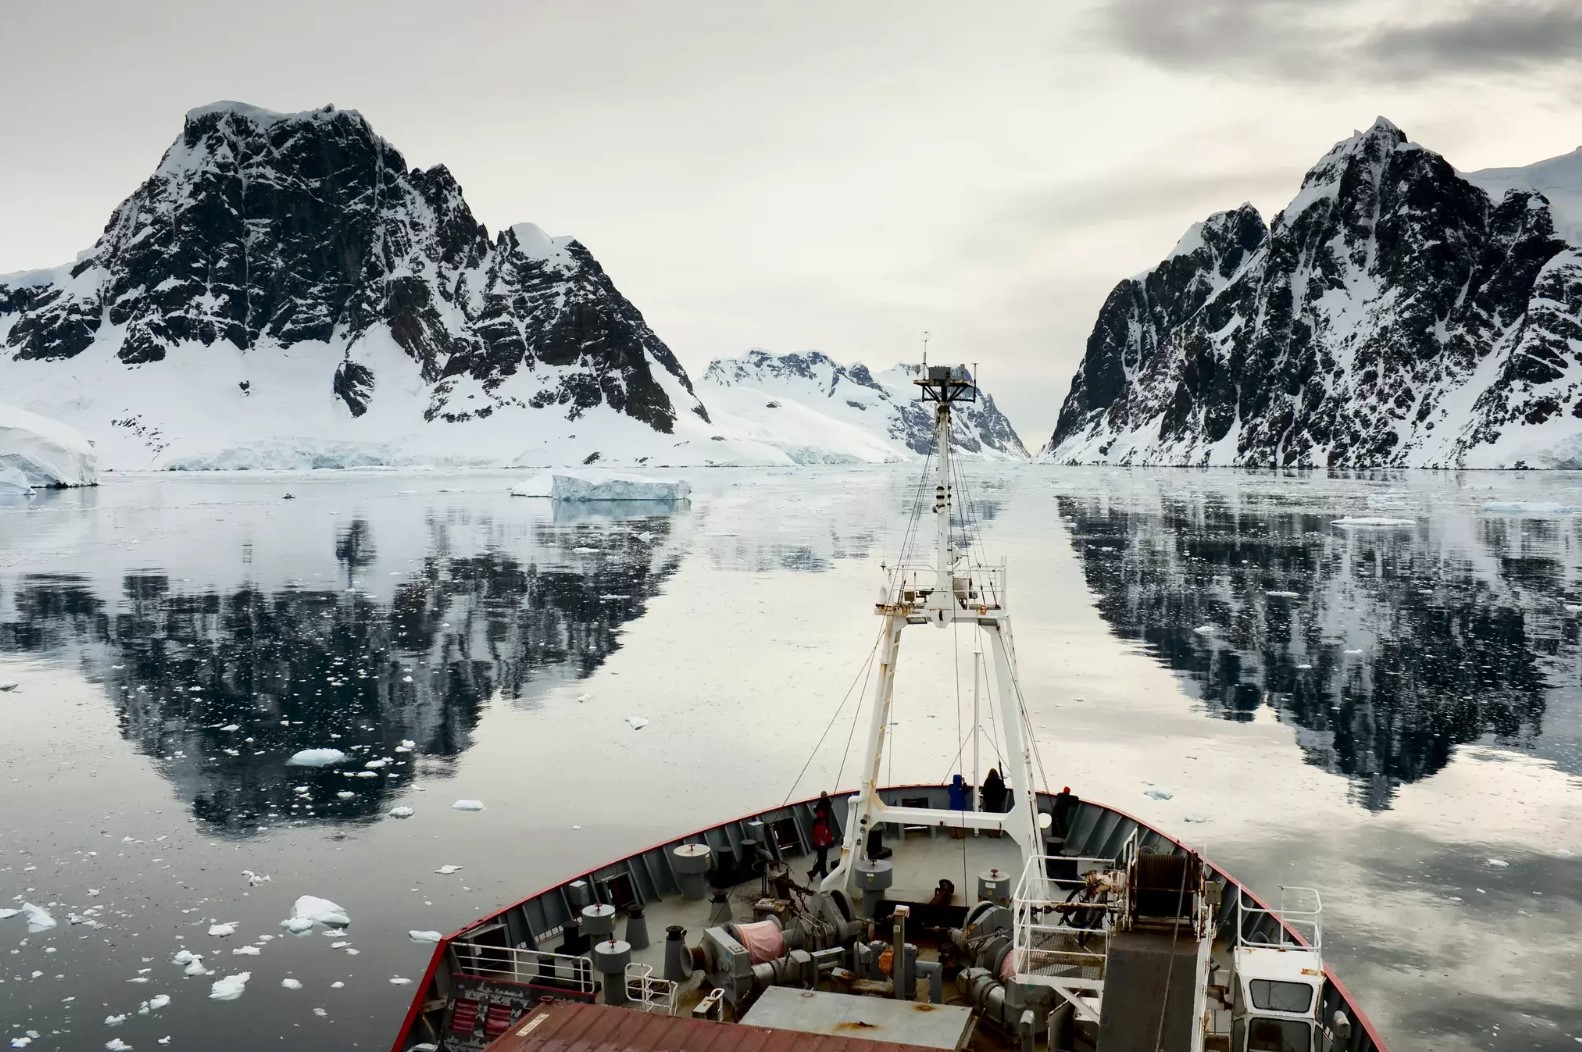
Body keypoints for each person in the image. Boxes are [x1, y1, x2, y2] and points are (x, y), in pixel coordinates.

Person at [808, 792, 836, 880]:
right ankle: (817, 873)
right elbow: (823, 836)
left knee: (822, 859)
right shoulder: (821, 827)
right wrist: (830, 839)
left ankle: (818, 873)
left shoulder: (816, 825)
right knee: (822, 859)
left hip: (819, 845)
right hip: (821, 845)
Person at [981, 768, 1007, 836]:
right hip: (998, 803)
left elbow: (984, 791)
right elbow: (1003, 792)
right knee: (997, 817)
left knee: (990, 817)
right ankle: (997, 833)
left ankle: (990, 832)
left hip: (989, 802)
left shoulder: (987, 781)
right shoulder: (1000, 782)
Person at [947, 774, 968, 839]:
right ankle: (960, 834)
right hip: (960, 807)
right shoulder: (962, 789)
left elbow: (950, 791)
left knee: (953, 820)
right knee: (960, 821)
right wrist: (964, 783)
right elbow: (967, 791)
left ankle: (953, 834)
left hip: (952, 806)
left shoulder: (950, 787)